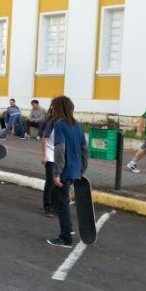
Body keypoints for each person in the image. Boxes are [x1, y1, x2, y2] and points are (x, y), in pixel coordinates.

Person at [47, 95, 88, 248]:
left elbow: (60, 149)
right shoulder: (78, 125)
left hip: (64, 171)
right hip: (75, 170)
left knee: (62, 204)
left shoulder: (59, 125)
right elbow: (84, 150)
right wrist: (81, 169)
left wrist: (57, 173)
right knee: (64, 201)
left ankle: (65, 239)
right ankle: (68, 229)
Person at [41, 102, 59, 216]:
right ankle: (47, 206)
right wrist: (43, 154)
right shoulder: (51, 122)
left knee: (57, 181)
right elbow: (44, 138)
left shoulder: (64, 123)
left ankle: (55, 204)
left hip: (59, 155)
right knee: (50, 180)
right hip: (50, 153)